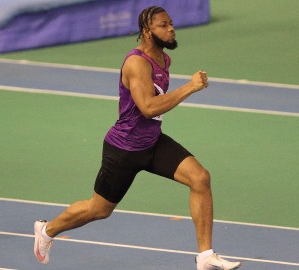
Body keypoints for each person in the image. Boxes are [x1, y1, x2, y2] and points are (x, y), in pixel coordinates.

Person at [33, 6, 241, 270]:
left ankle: (205, 256)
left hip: (152, 142)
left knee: (200, 178)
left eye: (171, 24)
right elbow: (149, 107)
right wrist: (190, 87)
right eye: (163, 25)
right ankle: (47, 230)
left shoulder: (164, 60)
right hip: (124, 149)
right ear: (147, 31)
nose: (171, 29)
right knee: (99, 209)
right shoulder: (136, 63)